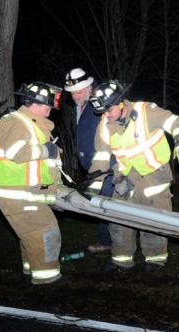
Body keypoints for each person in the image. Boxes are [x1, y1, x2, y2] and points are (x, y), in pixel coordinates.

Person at [86, 80, 179, 272]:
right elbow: (101, 158)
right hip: (124, 179)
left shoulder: (146, 112)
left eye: (108, 110)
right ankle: (121, 260)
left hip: (154, 177)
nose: (105, 116)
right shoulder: (104, 124)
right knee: (119, 221)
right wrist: (93, 186)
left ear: (120, 103)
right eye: (102, 112)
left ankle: (155, 260)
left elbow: (176, 122)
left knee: (154, 221)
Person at [0, 82, 65, 284]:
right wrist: (47, 150)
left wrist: (54, 189)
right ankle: (48, 280)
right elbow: (17, 153)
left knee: (31, 233)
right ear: (34, 102)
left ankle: (32, 272)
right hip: (15, 192)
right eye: (48, 104)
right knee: (45, 230)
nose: (51, 108)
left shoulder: (36, 124)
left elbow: (45, 166)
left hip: (25, 192)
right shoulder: (14, 122)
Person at [64, 67, 113, 253]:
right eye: (72, 93)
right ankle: (109, 240)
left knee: (105, 203)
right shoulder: (80, 106)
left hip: (105, 165)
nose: (74, 96)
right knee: (101, 202)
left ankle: (109, 242)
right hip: (92, 166)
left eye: (78, 92)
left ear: (89, 88)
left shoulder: (100, 104)